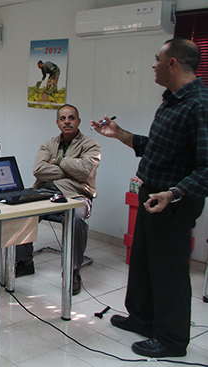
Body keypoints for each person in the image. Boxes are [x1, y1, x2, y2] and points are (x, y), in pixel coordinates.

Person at [91, 39, 208, 358]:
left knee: (168, 270)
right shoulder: (172, 101)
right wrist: (120, 133)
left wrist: (174, 193)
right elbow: (157, 148)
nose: (152, 64)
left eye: (156, 59)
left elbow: (206, 166)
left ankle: (171, 339)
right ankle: (142, 318)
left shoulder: (200, 103)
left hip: (173, 202)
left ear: (172, 63)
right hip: (151, 195)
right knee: (142, 261)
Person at [17, 104, 101, 296]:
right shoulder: (48, 144)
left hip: (76, 194)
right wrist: (71, 169)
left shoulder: (91, 145)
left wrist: (57, 161)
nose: (67, 122)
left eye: (71, 118)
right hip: (45, 190)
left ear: (78, 121)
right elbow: (38, 169)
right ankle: (24, 262)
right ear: (57, 122)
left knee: (77, 217)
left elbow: (85, 171)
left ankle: (73, 271)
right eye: (63, 118)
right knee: (19, 206)